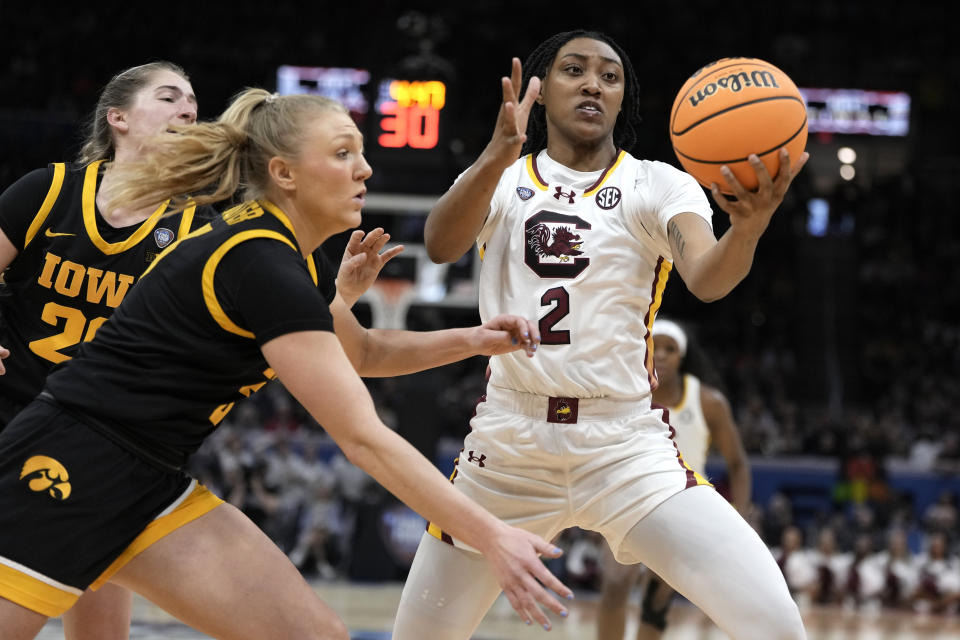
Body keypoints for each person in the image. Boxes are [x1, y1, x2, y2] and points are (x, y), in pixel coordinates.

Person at [0, 88, 573, 640]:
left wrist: (472, 340)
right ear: (284, 173)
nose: (365, 170)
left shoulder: (290, 262)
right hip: (69, 459)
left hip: (149, 482)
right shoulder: (260, 261)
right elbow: (363, 439)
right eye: (343, 153)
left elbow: (365, 353)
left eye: (362, 153)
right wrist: (491, 536)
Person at [394, 30, 810, 640]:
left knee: (776, 625)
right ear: (542, 91)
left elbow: (707, 277)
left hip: (623, 446)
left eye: (610, 76)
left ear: (623, 100)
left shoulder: (659, 184)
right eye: (574, 70)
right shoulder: (504, 178)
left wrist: (747, 229)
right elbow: (440, 243)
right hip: (508, 446)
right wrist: (493, 153)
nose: (593, 83)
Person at [0, 61, 208, 640]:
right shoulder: (49, 190)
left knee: (98, 623)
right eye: (169, 98)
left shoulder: (198, 230)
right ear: (118, 117)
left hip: (102, 440)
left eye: (192, 102)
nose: (188, 110)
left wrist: (336, 298)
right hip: (11, 420)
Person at [596, 318, 752, 640]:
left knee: (657, 604)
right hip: (627, 502)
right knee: (613, 587)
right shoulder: (623, 392)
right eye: (657, 347)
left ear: (683, 355)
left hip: (682, 510)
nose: (663, 355)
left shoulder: (709, 402)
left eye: (671, 349)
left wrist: (741, 515)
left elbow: (737, 464)